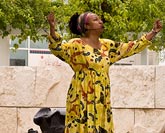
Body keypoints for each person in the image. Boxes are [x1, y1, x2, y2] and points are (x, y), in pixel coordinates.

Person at [47, 11, 162, 133]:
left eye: (100, 19)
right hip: (81, 96)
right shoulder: (76, 44)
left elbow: (131, 47)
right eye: (95, 19)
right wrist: (52, 28)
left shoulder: (107, 45)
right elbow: (57, 48)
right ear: (87, 26)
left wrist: (153, 32)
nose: (100, 21)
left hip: (101, 99)